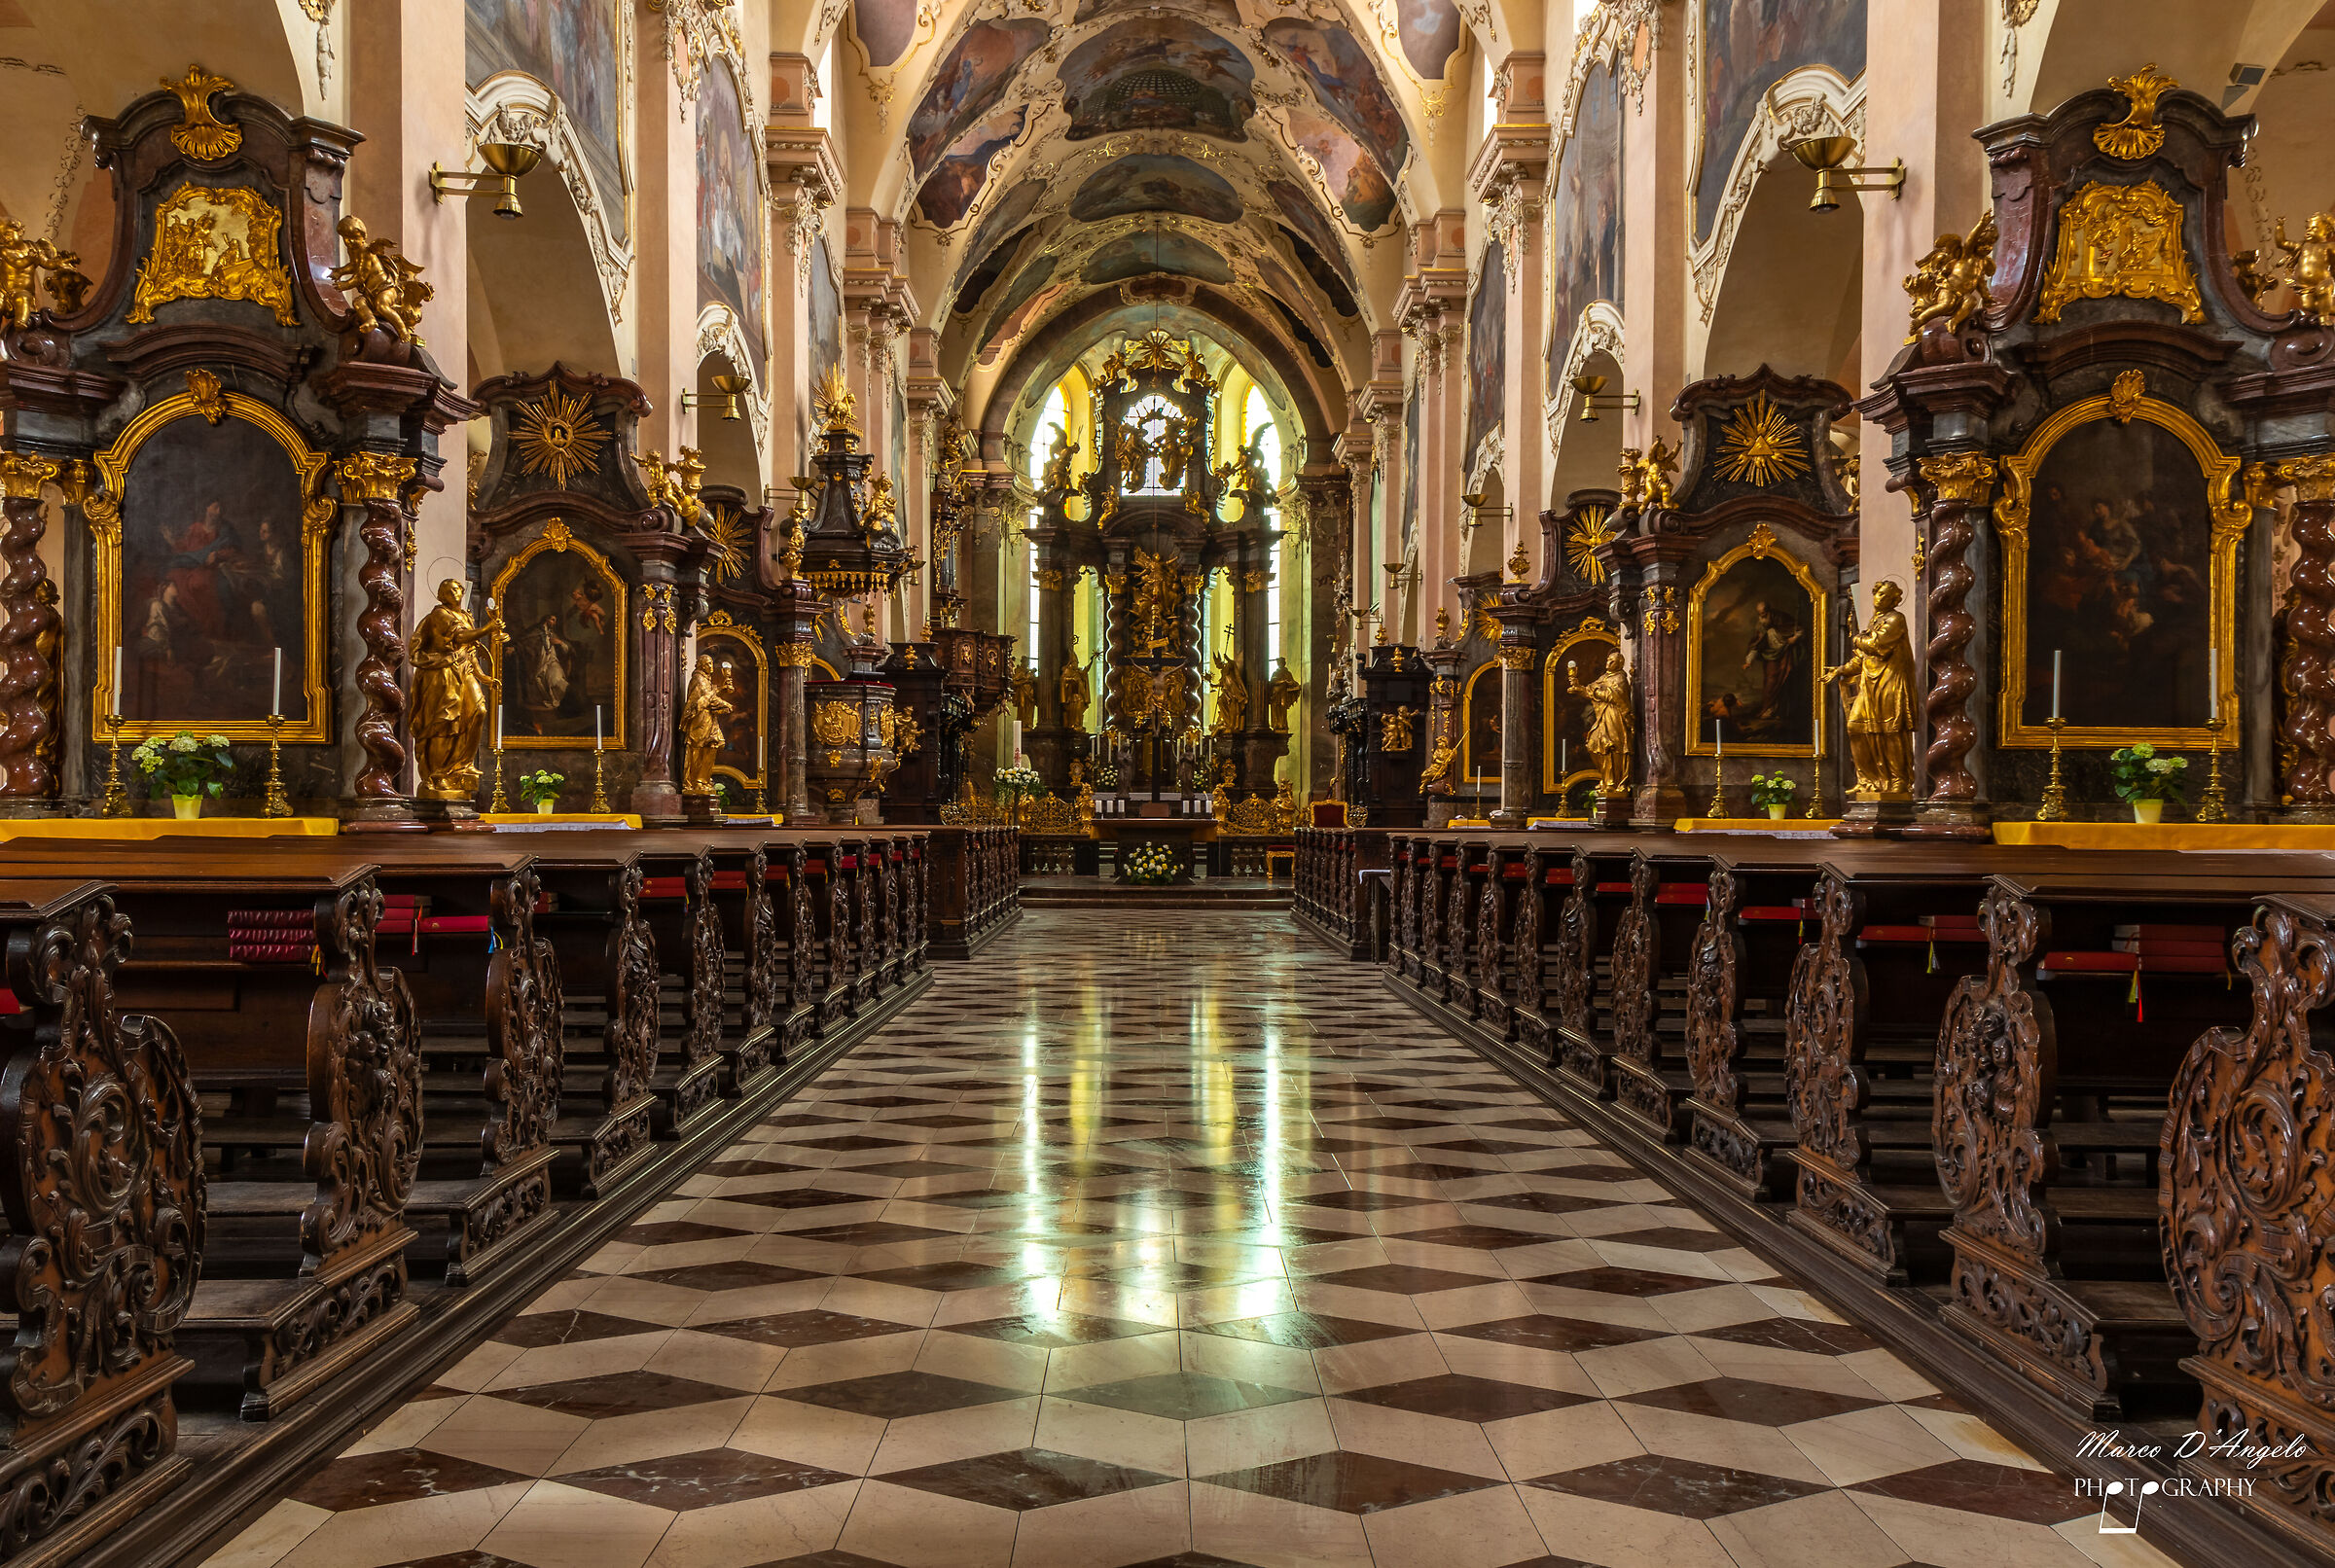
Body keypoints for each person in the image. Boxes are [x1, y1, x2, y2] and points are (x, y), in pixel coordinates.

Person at [410, 579, 501, 801]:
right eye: (449, 590)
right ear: (442, 596)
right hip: (443, 675)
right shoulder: (440, 615)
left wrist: (484, 677)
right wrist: (488, 629)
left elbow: (468, 651)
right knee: (445, 723)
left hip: (465, 671)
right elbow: (459, 637)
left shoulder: (467, 616)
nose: (454, 593)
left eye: (457, 589)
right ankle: (437, 773)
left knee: (478, 712)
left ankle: (462, 765)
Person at [1824, 581, 1916, 799]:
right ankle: (1868, 780)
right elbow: (1862, 657)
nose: (1879, 599)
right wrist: (1840, 670)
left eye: (1885, 596)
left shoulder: (1896, 619)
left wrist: (1856, 638)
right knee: (1855, 727)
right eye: (1877, 594)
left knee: (1891, 731)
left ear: (1894, 600)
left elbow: (1877, 645)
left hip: (1890, 682)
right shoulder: (1875, 621)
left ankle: (1898, 781)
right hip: (1869, 684)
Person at [1567, 650, 1634, 796]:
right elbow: (1590, 691)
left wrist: (1596, 691)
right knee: (1593, 744)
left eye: (1612, 661)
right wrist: (1579, 688)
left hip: (1615, 715)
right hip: (1603, 715)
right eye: (1608, 660)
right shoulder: (1603, 677)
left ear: (1620, 664)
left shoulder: (1620, 678)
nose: (1608, 663)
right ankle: (1606, 779)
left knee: (1612, 746)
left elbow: (1614, 696)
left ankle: (1615, 782)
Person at [680, 653, 736, 796]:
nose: (711, 666)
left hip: (709, 718)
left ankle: (702, 779)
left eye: (712, 663)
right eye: (708, 664)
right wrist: (725, 704)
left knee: (713, 744)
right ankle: (696, 781)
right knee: (699, 748)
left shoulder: (706, 680)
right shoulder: (698, 679)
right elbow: (707, 700)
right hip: (700, 719)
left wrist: (721, 690)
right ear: (701, 665)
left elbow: (710, 696)